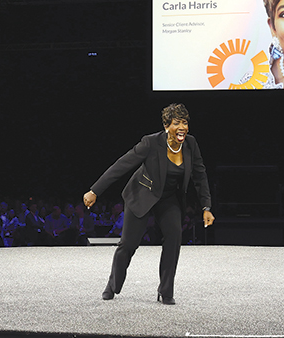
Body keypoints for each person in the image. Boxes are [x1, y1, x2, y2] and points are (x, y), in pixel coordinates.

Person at [83, 103, 215, 305]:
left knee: (174, 239)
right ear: (166, 125)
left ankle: (165, 291)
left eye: (185, 123)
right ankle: (112, 285)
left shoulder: (191, 144)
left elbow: (200, 175)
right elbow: (122, 165)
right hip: (142, 194)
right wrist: (95, 190)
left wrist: (206, 206)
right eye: (177, 123)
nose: (182, 127)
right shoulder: (151, 143)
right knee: (128, 244)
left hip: (169, 198)